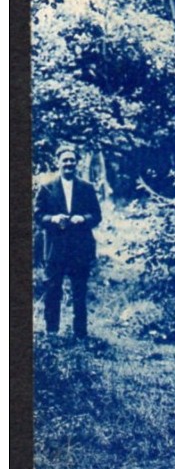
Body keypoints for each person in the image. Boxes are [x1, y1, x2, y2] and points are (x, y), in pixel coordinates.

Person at [34, 144, 103, 339]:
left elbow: (97, 215)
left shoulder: (86, 188)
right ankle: (52, 332)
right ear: (58, 162)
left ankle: (80, 333)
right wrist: (53, 219)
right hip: (55, 249)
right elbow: (38, 216)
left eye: (72, 160)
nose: (69, 164)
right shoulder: (47, 188)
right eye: (65, 160)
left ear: (77, 163)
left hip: (80, 249)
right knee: (53, 290)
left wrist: (84, 219)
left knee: (79, 292)